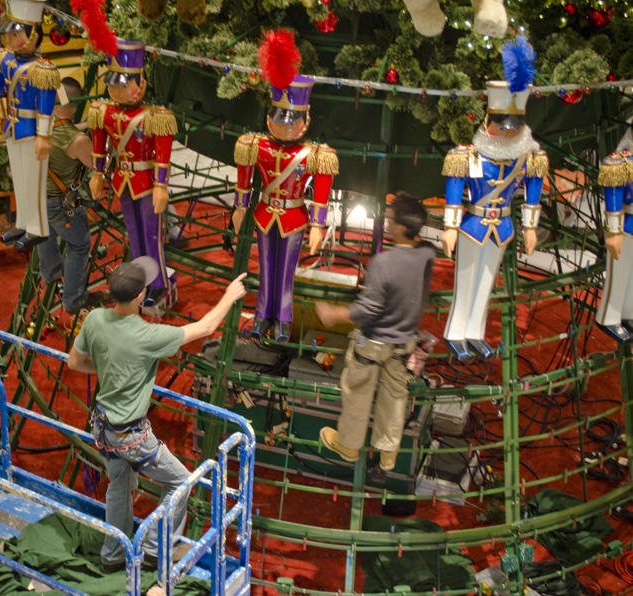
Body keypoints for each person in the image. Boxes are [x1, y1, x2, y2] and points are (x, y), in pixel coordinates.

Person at [68, 257, 247, 573]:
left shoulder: (95, 319)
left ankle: (113, 556)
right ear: (140, 297)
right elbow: (205, 327)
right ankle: (154, 549)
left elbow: (74, 362)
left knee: (119, 486)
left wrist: (112, 368)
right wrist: (230, 296)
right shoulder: (147, 336)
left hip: (101, 426)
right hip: (131, 435)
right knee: (180, 481)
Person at [440, 36, 548, 361]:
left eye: (514, 127)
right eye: (502, 126)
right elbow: (454, 194)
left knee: (487, 282)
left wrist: (530, 227)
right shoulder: (468, 156)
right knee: (466, 277)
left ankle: (474, 332)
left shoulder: (526, 158)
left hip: (502, 225)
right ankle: (455, 332)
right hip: (474, 223)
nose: (508, 132)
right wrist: (449, 227)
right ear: (489, 122)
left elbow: (533, 190)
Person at [316, 193, 435, 476]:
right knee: (395, 400)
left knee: (356, 392)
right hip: (403, 345)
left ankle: (348, 444)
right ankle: (387, 456)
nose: (387, 222)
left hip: (371, 343)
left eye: (391, 219)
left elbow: (368, 309)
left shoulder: (383, 263)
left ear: (402, 227)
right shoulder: (428, 254)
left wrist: (334, 314)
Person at [231, 29, 338, 342]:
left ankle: (283, 319)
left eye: (293, 120)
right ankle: (263, 314)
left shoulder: (316, 154)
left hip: (293, 215)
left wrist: (318, 225)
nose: (285, 126)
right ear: (269, 118)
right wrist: (239, 207)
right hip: (265, 211)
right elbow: (244, 178)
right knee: (265, 266)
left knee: (286, 272)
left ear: (306, 121)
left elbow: (320, 195)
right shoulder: (256, 145)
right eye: (279, 118)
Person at [88, 39, 178, 309]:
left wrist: (162, 186)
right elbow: (99, 145)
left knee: (152, 236)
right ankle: (142, 280)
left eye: (125, 83)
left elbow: (162, 157)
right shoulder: (103, 111)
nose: (117, 89)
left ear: (141, 82)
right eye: (114, 83)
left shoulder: (155, 117)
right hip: (123, 181)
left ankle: (158, 283)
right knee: (133, 234)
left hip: (148, 183)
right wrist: (97, 174)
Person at [0, 0, 59, 250]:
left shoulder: (43, 69)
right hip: (11, 126)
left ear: (33, 34)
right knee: (19, 179)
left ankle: (38, 227)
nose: (10, 38)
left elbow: (46, 107)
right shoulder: (5, 61)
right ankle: (23, 223)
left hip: (32, 130)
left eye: (16, 33)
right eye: (9, 33)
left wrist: (44, 136)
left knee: (33, 180)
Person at [36, 77, 101, 313]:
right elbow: (97, 164)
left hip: (37, 195)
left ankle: (51, 273)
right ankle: (74, 300)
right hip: (61, 203)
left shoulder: (41, 124)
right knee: (80, 245)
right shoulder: (78, 141)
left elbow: (65, 130)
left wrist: (82, 125)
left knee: (46, 234)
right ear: (74, 105)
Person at [594, 129, 633, 342]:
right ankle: (608, 317)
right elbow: (614, 201)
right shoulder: (621, 163)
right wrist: (614, 231)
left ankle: (628, 314)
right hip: (626, 225)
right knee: (619, 273)